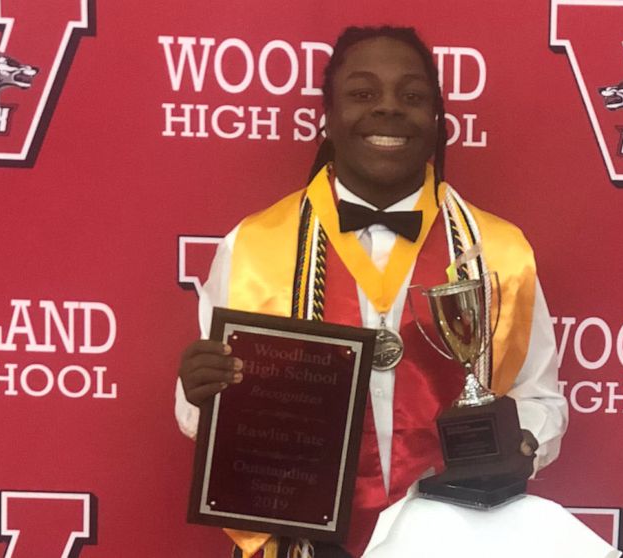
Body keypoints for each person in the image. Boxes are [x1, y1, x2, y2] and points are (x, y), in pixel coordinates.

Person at [176, 26, 569, 558]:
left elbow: (539, 397)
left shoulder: (500, 254)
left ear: (436, 120)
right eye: (363, 94)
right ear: (328, 116)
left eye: (412, 96)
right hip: (304, 543)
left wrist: (521, 444)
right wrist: (201, 394)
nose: (388, 109)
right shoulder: (252, 248)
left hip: (458, 540)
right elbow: (207, 415)